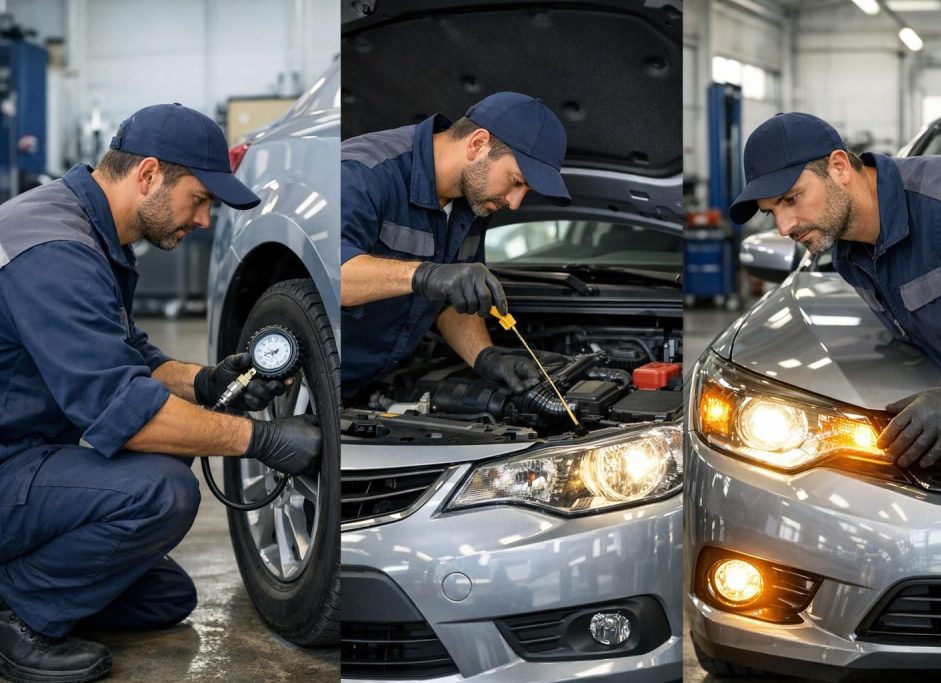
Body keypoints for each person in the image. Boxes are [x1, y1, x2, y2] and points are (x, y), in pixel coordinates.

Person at [0, 103, 322, 682]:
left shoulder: (85, 227)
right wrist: (262, 439)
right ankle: (17, 618)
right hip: (8, 463)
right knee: (162, 492)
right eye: (199, 199)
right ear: (148, 174)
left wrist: (207, 381)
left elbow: (131, 359)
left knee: (163, 598)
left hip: (24, 453)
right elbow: (125, 414)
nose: (203, 220)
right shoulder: (56, 250)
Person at [728, 111, 941, 471]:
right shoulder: (848, 255)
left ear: (839, 167)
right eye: (770, 212)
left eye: (791, 199)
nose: (784, 226)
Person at [340, 92, 573, 400]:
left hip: (372, 385)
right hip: (305, 383)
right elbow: (330, 275)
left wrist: (485, 357)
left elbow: (451, 300)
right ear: (477, 144)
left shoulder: (474, 202)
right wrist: (426, 275)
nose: (515, 203)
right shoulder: (362, 173)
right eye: (516, 181)